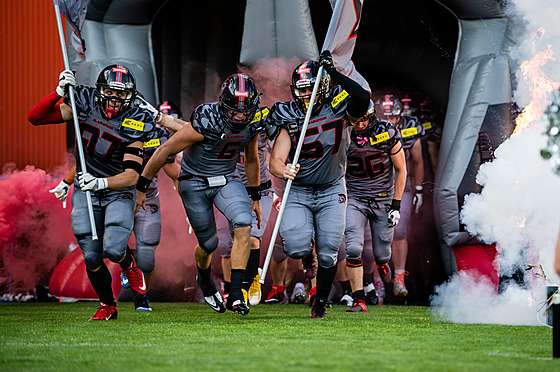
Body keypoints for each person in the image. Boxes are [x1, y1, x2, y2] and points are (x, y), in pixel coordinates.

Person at [28, 65, 159, 320]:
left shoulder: (135, 119)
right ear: (100, 90)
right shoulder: (84, 105)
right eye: (110, 91)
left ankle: (128, 264)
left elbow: (132, 175)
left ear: (130, 96)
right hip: (85, 187)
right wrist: (57, 93)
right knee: (90, 255)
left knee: (112, 249)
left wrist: (100, 183)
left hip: (116, 189)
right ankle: (108, 306)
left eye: (121, 94)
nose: (114, 98)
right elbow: (35, 117)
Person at [135, 73, 263, 316]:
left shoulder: (253, 122)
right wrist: (142, 186)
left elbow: (252, 159)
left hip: (227, 178)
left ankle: (235, 294)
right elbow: (164, 151)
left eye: (245, 110)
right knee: (209, 243)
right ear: (223, 105)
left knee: (244, 224)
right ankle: (203, 278)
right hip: (195, 182)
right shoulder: (206, 120)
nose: (240, 115)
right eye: (235, 110)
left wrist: (255, 195)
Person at [267, 51, 370, 319]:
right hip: (298, 190)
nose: (304, 95)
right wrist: (282, 168)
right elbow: (276, 159)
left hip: (331, 189)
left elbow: (363, 98)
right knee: (296, 248)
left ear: (322, 88)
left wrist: (335, 73)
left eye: (310, 89)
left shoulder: (339, 106)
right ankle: (305, 254)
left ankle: (320, 302)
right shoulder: (287, 114)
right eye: (300, 89)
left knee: (328, 255)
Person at [343, 101, 407, 312]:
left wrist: (396, 205)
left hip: (382, 199)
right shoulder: (342, 132)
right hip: (355, 197)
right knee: (353, 248)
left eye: (364, 119)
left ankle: (382, 263)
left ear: (372, 117)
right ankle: (359, 298)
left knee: (381, 253)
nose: (360, 124)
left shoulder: (387, 131)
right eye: (356, 120)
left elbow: (401, 169)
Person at [215, 128, 274, 306]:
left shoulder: (262, 124)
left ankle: (249, 282)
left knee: (253, 238)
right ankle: (231, 288)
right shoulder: (220, 123)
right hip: (230, 191)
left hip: (260, 190)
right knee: (226, 244)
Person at [375, 94, 424, 299]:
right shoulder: (367, 128)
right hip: (374, 187)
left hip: (400, 186)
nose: (389, 123)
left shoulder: (409, 128)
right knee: (371, 235)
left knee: (400, 230)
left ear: (400, 117)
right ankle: (376, 282)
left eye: (393, 118)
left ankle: (399, 277)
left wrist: (419, 190)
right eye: (384, 118)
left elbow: (418, 161)